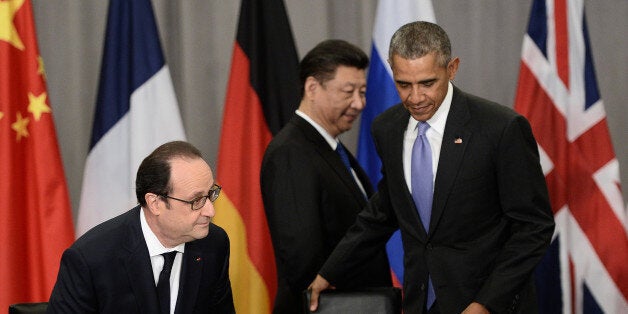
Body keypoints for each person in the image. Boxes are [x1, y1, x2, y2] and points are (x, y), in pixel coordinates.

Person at [308, 21, 555, 314]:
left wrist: (486, 303)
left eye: (427, 83)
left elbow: (534, 227)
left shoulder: (500, 129)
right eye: (403, 84)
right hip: (420, 302)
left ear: (452, 69)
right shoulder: (387, 128)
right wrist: (330, 272)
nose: (415, 98)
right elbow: (384, 210)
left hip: (486, 303)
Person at [261, 39, 392, 313]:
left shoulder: (330, 149)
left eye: (363, 92)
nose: (359, 103)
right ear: (312, 88)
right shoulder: (290, 152)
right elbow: (301, 258)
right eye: (348, 92)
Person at [47, 141, 235, 313]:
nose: (210, 211)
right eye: (196, 200)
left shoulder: (214, 244)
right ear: (155, 203)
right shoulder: (91, 259)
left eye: (211, 194)